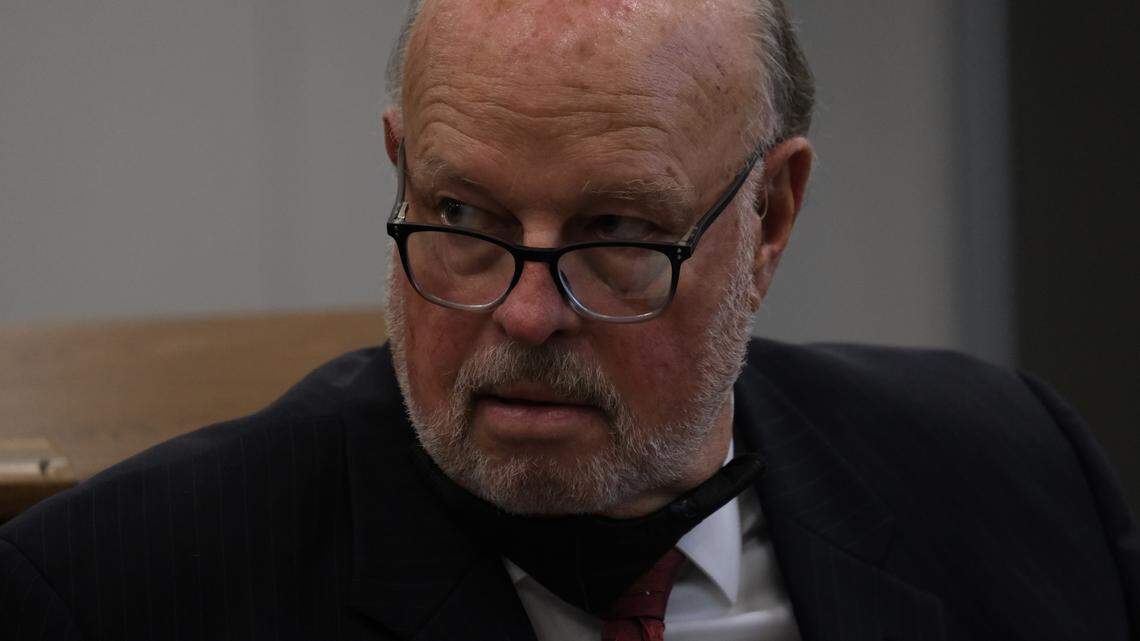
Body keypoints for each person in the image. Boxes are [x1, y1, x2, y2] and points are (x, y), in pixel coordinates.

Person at [1, 0, 1137, 639]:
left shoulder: (1013, 470)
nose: (526, 310)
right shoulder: (110, 598)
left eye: (617, 232)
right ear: (399, 173)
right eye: (461, 213)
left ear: (772, 217)